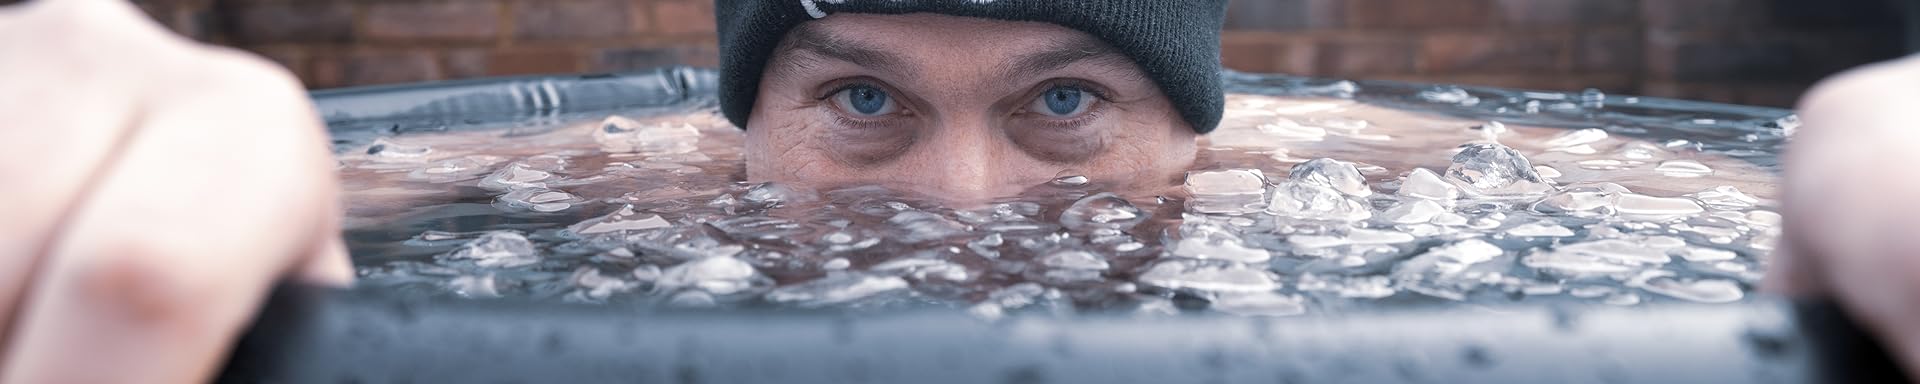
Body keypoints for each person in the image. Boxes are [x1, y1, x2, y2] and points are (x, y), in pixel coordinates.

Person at [0, 0, 1915, 382]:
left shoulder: (1333, 170)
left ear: (1203, 133)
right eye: (859, 103)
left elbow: (1665, 188)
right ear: (740, 120)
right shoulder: (626, 170)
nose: (964, 197)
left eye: (1068, 100)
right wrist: (154, 118)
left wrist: (1861, 141)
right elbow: (282, 155)